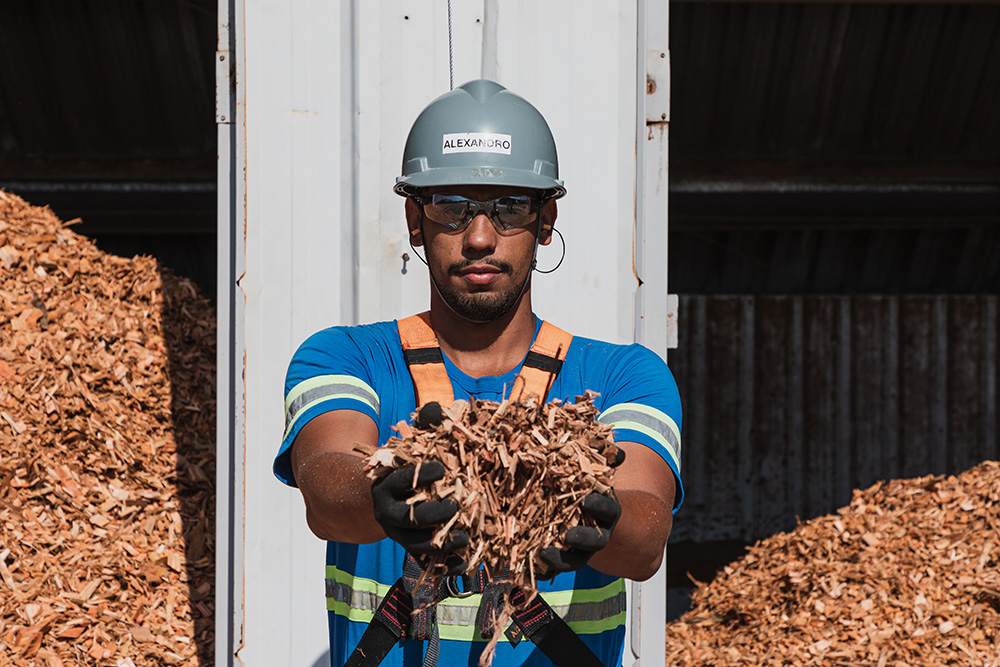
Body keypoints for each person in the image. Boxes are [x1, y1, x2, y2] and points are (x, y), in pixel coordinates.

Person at [274, 79, 682, 667]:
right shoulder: (345, 357)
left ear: (546, 220)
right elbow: (327, 488)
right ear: (415, 221)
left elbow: (644, 539)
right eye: (451, 207)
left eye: (511, 207)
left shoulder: (623, 377)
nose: (480, 237)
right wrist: (384, 495)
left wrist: (579, 510)